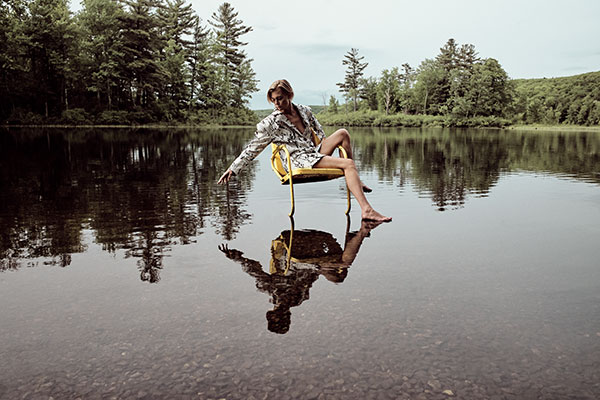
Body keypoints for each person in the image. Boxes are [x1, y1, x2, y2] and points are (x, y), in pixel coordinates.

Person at [217, 79, 391, 222]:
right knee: (348, 164)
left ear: (290, 95)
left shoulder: (305, 111)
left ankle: (355, 180)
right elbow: (253, 147)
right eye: (274, 100)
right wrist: (234, 168)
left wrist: (324, 148)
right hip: (298, 159)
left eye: (280, 99)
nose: (277, 104)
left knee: (343, 133)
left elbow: (321, 134)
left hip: (313, 152)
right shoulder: (271, 123)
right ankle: (366, 210)